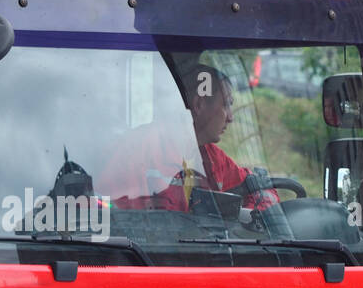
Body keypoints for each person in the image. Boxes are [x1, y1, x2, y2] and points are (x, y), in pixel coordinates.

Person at [99, 63, 278, 215]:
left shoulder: (212, 157)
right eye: (226, 104)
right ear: (199, 104)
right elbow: (110, 214)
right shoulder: (139, 150)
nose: (231, 117)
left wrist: (253, 216)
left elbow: (260, 189)